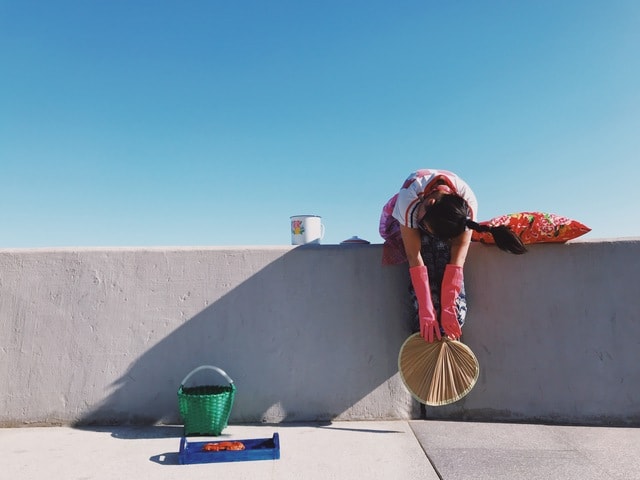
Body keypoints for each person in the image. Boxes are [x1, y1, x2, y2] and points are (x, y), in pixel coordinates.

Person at [379, 169, 527, 343]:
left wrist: (449, 307)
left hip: (440, 221)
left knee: (442, 252)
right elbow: (414, 256)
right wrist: (426, 310)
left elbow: (458, 255)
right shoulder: (409, 197)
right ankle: (424, 324)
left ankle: (447, 325)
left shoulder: (467, 204)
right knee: (427, 247)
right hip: (409, 218)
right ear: (429, 202)